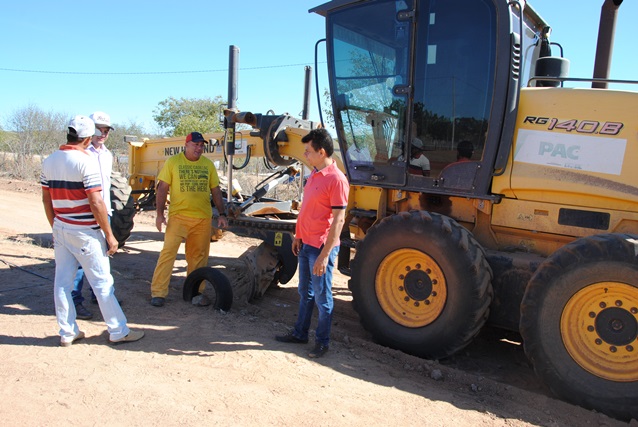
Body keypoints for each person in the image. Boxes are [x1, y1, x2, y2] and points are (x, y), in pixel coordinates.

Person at [41, 115, 144, 347]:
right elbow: (96, 202)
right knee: (102, 283)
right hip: (86, 230)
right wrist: (109, 235)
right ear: (88, 139)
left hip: (62, 226)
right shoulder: (86, 162)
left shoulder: (49, 161)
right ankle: (118, 331)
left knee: (62, 283)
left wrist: (56, 226)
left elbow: (46, 200)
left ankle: (67, 332)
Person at [275, 128, 349, 358]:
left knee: (322, 297)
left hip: (321, 248)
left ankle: (322, 342)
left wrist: (325, 255)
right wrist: (298, 235)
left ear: (322, 152)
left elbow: (339, 220)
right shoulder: (314, 175)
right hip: (306, 244)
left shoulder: (337, 180)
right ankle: (300, 333)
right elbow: (307, 209)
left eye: (308, 151)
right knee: (304, 292)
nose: (305, 155)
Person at [149, 131, 228, 307]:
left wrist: (222, 214)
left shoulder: (208, 165)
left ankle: (194, 292)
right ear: (186, 145)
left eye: (201, 145)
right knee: (168, 254)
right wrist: (160, 215)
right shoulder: (173, 162)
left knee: (198, 258)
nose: (199, 148)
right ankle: (158, 293)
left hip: (202, 219)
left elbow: (215, 190)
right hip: (178, 217)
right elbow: (162, 188)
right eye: (195, 144)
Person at [72, 111, 115, 320]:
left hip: (104, 212)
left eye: (106, 130)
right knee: (80, 261)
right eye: (99, 129)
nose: (103, 134)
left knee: (102, 256)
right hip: (84, 214)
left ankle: (100, 296)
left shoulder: (107, 155)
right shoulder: (80, 154)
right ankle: (75, 301)